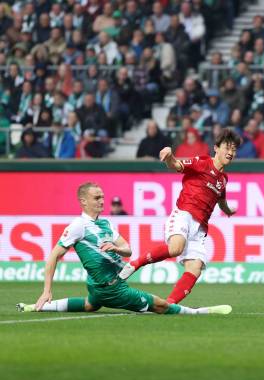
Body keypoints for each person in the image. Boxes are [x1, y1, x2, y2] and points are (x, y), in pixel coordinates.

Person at [17, 182, 231, 316]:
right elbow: (54, 256)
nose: (102, 201)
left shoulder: (106, 223)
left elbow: (128, 250)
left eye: (102, 197)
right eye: (96, 198)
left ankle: (36, 307)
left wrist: (117, 249)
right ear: (83, 201)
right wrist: (47, 290)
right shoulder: (78, 226)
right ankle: (200, 312)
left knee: (90, 306)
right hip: (110, 287)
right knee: (160, 305)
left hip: (99, 284)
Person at [119, 128, 242, 305]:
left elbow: (221, 199)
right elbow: (177, 165)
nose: (230, 152)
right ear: (216, 148)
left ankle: (169, 304)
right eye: (227, 148)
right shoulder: (202, 162)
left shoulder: (223, 179)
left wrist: (228, 210)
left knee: (196, 267)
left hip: (199, 228)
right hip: (184, 214)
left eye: (234, 150)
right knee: (176, 248)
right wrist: (169, 156)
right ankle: (135, 263)